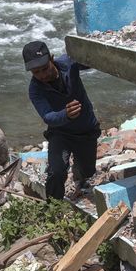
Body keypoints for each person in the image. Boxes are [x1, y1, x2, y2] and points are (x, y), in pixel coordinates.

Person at [23, 40, 101, 200]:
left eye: (45, 68)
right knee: (56, 171)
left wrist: (96, 56)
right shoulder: (35, 90)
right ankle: (53, 205)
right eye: (36, 72)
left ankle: (80, 179)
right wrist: (65, 114)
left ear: (51, 59)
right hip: (60, 133)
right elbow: (47, 116)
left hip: (86, 129)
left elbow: (91, 61)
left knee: (87, 171)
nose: (42, 75)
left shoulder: (68, 63)